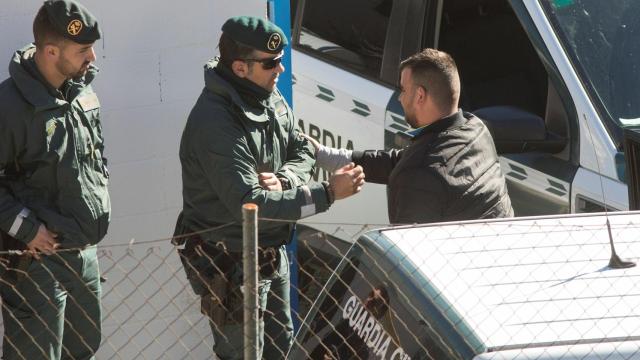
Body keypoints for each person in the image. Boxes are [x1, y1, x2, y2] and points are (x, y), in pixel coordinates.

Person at [173, 16, 365, 359]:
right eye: (270, 63)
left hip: (270, 253)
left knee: (280, 346)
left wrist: (287, 180)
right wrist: (328, 193)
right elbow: (252, 205)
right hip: (230, 263)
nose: (280, 70)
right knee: (243, 353)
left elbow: (302, 147)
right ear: (240, 68)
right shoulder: (215, 122)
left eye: (280, 61)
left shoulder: (268, 94)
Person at [0, 1, 109, 359]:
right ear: (50, 51)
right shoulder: (10, 106)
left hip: (82, 250)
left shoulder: (83, 90)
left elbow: (95, 155)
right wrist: (26, 228)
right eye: (82, 50)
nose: (92, 56)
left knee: (83, 345)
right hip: (35, 259)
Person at [308, 48, 513, 224]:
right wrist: (322, 154)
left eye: (403, 89)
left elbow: (406, 259)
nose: (400, 97)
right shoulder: (475, 129)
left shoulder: (419, 175)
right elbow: (401, 161)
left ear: (420, 96)